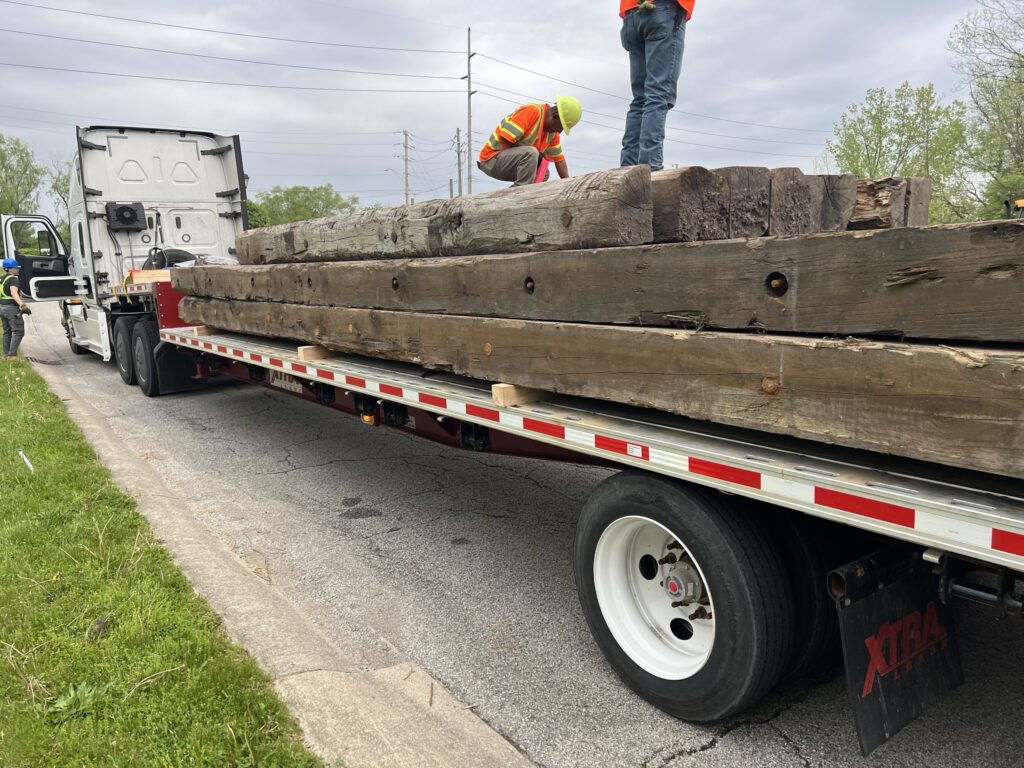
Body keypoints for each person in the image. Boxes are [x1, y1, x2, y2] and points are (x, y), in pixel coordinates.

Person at [619, 0, 695, 171]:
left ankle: (627, 170)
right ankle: (650, 169)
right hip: (662, 10)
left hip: (631, 14)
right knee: (657, 95)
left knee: (640, 98)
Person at [478, 96, 583, 186]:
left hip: (509, 164)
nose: (560, 132)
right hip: (491, 160)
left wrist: (568, 184)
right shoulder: (532, 111)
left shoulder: (552, 134)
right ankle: (518, 195)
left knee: (543, 172)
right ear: (555, 116)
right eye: (561, 126)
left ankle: (527, 196)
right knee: (531, 153)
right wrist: (535, 156)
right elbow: (507, 138)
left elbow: (559, 160)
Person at [1, 257, 31, 360]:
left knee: (7, 331)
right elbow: (14, 293)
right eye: (16, 267)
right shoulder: (13, 279)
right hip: (11, 309)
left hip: (2, 308)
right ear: (9, 269)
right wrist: (23, 306)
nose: (18, 269)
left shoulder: (2, 278)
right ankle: (12, 355)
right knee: (18, 331)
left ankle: (6, 355)